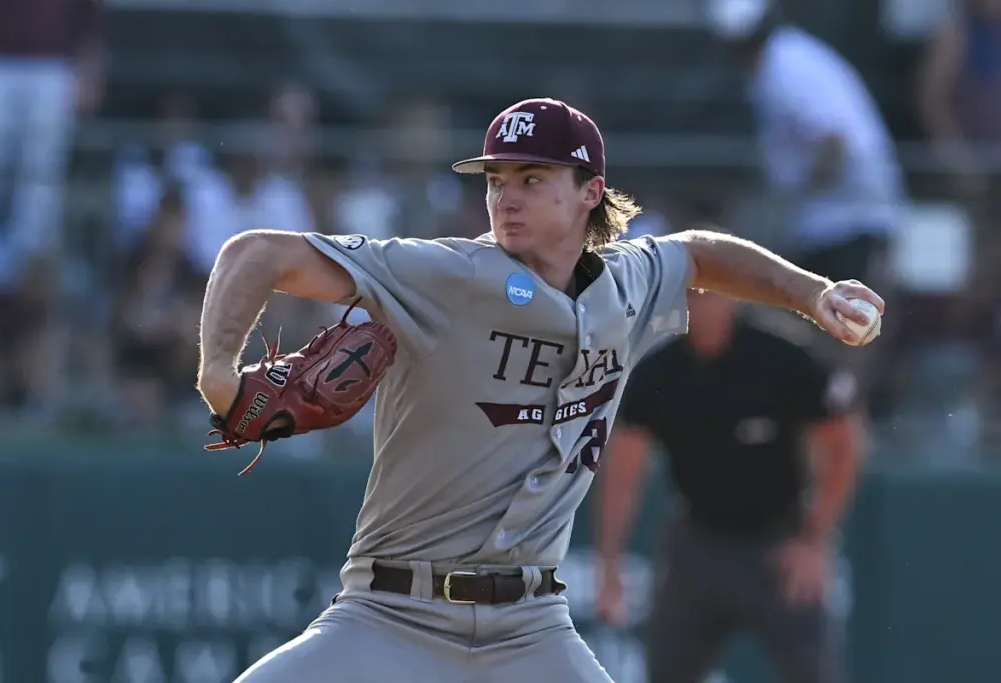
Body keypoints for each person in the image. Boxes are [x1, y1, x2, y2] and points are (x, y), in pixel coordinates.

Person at [195, 96, 883, 683]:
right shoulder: (446, 275)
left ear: (590, 191)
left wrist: (813, 294)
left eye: (531, 177)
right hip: (392, 613)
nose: (506, 196)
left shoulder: (626, 285)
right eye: (496, 179)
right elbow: (256, 252)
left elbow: (699, 253)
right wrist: (218, 373)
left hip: (530, 627)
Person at [594, 288, 867, 683]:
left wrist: (815, 539)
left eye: (709, 293)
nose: (698, 303)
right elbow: (622, 472)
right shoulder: (657, 372)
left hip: (779, 543)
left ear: (732, 295)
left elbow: (844, 444)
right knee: (666, 674)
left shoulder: (781, 355)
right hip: (697, 541)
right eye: (689, 294)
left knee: (815, 673)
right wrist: (610, 563)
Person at [706, 0, 903, 416]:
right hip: (822, 221)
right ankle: (815, 413)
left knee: (849, 321)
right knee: (803, 315)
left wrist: (793, 195)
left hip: (850, 218)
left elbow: (836, 143)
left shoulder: (788, 67)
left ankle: (842, 417)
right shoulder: (775, 63)